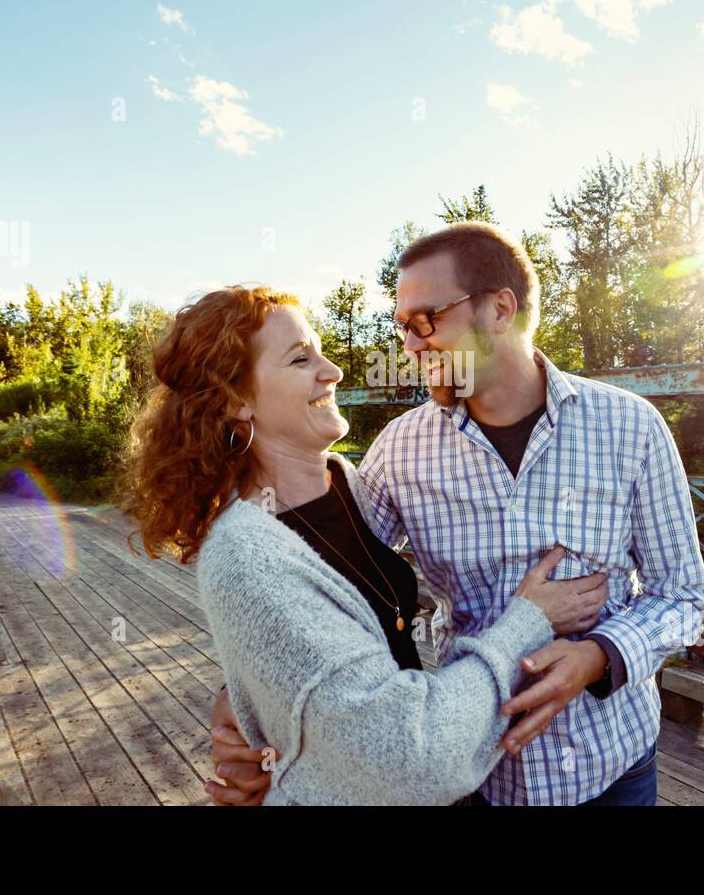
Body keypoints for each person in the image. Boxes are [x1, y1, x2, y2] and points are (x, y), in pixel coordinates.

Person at [213, 222, 704, 806]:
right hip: (479, 777)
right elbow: (327, 578)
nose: (410, 345)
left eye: (426, 321)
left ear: (499, 308)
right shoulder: (403, 449)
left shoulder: (630, 427)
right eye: (402, 327)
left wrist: (598, 657)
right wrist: (246, 695)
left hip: (611, 767)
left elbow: (683, 594)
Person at [119, 285, 610, 805]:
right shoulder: (245, 555)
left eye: (322, 351)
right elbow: (414, 758)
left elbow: (304, 657)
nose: (332, 371)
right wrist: (528, 620)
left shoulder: (347, 483)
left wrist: (249, 702)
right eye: (300, 359)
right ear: (235, 400)